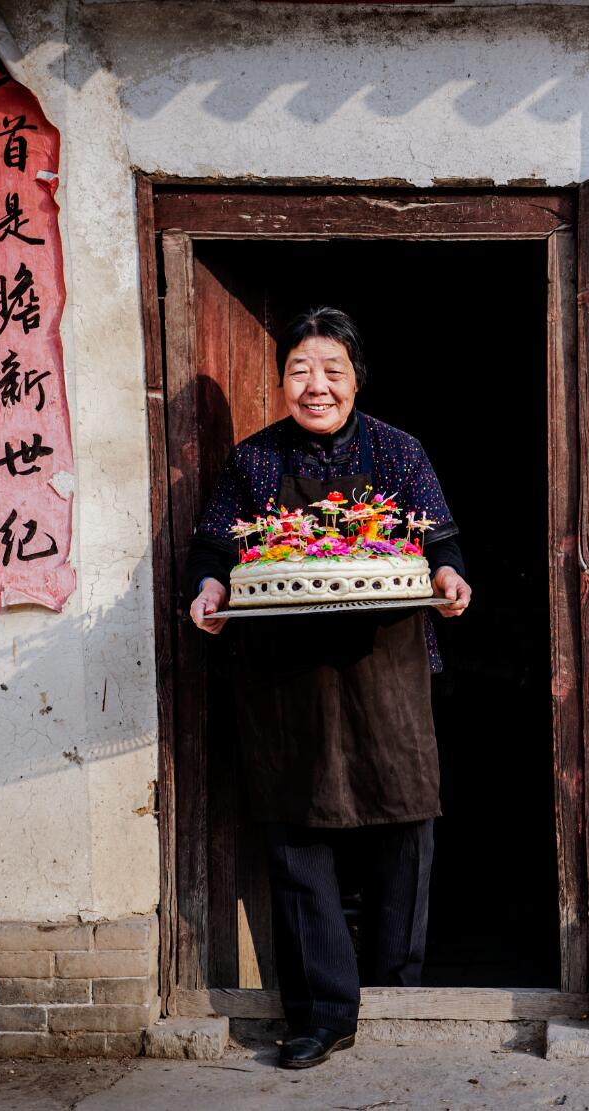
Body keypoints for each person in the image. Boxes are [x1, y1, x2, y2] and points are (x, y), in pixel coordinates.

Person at [186, 306, 471, 1069]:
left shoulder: (399, 451)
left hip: (389, 668)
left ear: (355, 379)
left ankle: (395, 992)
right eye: (300, 372)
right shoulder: (251, 463)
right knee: (296, 833)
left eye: (331, 371)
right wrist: (208, 590)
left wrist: (448, 575)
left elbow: (438, 539)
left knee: (405, 825)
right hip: (282, 675)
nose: (316, 387)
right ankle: (320, 1014)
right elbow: (213, 548)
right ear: (282, 382)